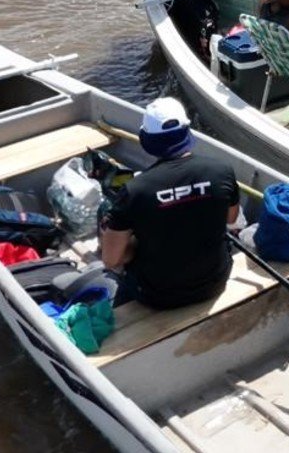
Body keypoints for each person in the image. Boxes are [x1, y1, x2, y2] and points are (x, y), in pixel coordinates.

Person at [99, 98, 239, 309]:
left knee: (108, 228)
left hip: (158, 296)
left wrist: (133, 245)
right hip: (215, 283)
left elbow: (111, 260)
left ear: (147, 140)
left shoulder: (135, 191)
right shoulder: (222, 171)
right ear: (187, 131)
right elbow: (231, 218)